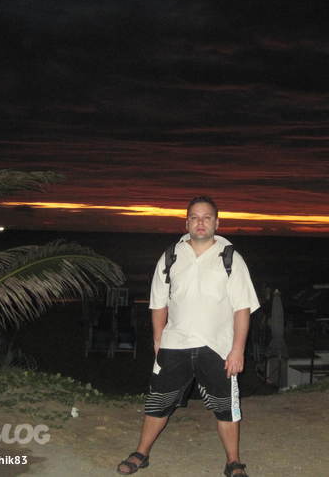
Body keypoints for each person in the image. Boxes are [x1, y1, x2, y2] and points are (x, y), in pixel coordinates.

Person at [117, 196, 260, 477]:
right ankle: (141, 453)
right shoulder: (171, 255)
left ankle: (233, 462)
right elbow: (159, 303)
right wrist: (158, 340)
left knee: (226, 407)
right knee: (158, 402)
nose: (200, 223)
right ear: (187, 223)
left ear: (217, 222)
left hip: (217, 346)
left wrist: (238, 349)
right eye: (194, 217)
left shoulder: (231, 258)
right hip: (175, 343)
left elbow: (242, 308)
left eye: (206, 218)